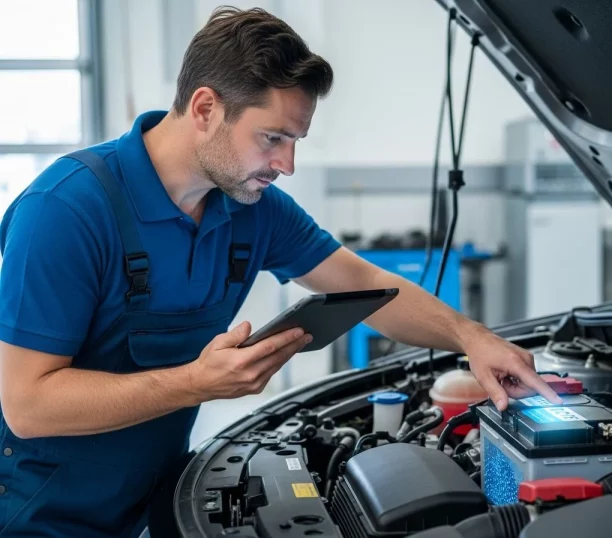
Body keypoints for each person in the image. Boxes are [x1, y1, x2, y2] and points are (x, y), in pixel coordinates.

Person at [0, 6, 561, 537]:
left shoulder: (250, 209)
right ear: (204, 109)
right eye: (272, 138)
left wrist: (473, 337)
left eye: (295, 141)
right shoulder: (66, 210)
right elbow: (28, 406)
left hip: (146, 505)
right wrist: (196, 383)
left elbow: (368, 287)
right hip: (34, 516)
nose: (286, 165)